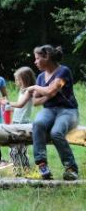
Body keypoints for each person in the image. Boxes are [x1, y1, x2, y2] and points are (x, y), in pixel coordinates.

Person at [27, 45, 79, 180]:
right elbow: (35, 101)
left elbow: (50, 90)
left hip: (68, 111)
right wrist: (50, 94)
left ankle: (71, 168)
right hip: (49, 110)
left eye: (37, 58)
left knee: (56, 133)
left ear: (47, 57)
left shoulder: (63, 71)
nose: (35, 62)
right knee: (38, 123)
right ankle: (42, 165)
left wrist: (36, 87)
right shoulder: (40, 77)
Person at [0, 66, 36, 176]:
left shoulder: (29, 92)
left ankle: (22, 171)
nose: (16, 82)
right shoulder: (22, 91)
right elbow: (18, 107)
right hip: (16, 122)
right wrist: (8, 107)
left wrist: (6, 103)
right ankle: (20, 171)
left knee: (18, 150)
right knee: (16, 150)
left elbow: (20, 105)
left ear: (25, 79)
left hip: (23, 124)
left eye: (18, 79)